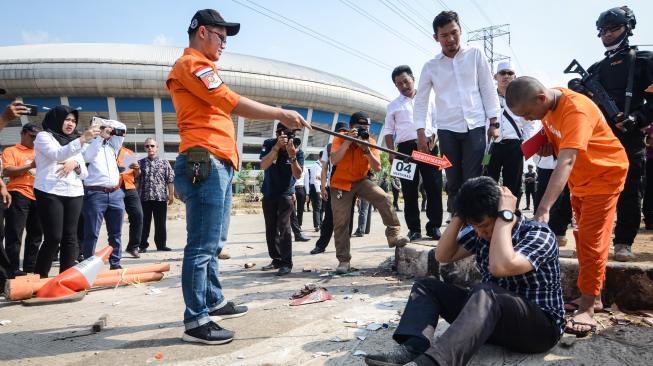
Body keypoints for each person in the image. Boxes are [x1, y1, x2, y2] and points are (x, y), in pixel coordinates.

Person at [167, 9, 308, 344]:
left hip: (215, 160)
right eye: (220, 37)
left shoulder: (203, 67)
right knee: (201, 243)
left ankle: (213, 300)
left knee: (214, 241)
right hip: (203, 157)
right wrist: (280, 112)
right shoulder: (192, 65)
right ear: (202, 32)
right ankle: (196, 320)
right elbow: (228, 100)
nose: (224, 44)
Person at [365, 177, 563, 366]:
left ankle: (433, 362)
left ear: (504, 212)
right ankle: (414, 347)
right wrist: (460, 214)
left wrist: (505, 217)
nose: (479, 233)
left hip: (539, 331)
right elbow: (443, 255)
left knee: (486, 291)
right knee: (426, 287)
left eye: (484, 226)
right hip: (494, 325)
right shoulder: (480, 233)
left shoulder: (538, 234)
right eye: (474, 226)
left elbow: (500, 266)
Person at [506, 76, 628, 336]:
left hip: (605, 175)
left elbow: (566, 162)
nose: (528, 120)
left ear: (540, 98)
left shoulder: (576, 110)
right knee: (582, 236)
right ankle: (593, 295)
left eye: (528, 113)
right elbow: (559, 144)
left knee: (593, 240)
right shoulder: (548, 107)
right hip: (581, 180)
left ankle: (587, 307)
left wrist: (543, 209)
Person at [574, 6, 653, 262]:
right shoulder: (596, 68)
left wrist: (638, 118)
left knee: (630, 189)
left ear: (628, 28)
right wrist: (578, 89)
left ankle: (623, 242)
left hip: (629, 136)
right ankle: (593, 241)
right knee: (595, 191)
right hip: (600, 139)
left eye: (613, 29)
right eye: (603, 30)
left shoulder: (643, 60)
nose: (607, 35)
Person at [414, 10, 500, 213]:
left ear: (461, 30)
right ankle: (457, 224)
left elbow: (488, 88)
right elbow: (421, 102)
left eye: (455, 32)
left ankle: (474, 227)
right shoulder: (430, 67)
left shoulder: (476, 54)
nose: (451, 39)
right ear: (436, 38)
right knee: (452, 181)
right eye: (444, 35)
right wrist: (420, 133)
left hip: (476, 127)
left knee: (473, 179)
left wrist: (494, 123)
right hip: (447, 130)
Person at [330, 111, 408, 274]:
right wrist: (348, 141)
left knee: (384, 197)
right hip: (341, 184)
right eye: (360, 127)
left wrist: (366, 150)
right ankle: (344, 261)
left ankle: (393, 234)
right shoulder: (340, 138)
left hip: (360, 181)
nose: (363, 130)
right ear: (351, 127)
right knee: (341, 222)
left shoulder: (370, 141)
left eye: (366, 127)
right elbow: (334, 160)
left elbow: (377, 167)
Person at [33, 106, 98, 278]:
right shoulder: (43, 136)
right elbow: (57, 154)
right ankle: (39, 277)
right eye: (67, 119)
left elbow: (85, 173)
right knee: (53, 237)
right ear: (57, 119)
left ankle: (66, 279)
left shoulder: (76, 140)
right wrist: (82, 139)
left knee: (71, 238)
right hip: (50, 191)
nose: (70, 124)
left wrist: (75, 165)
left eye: (74, 121)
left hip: (74, 193)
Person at [383, 65, 443, 242]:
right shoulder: (393, 106)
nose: (403, 85)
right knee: (409, 191)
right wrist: (391, 152)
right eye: (399, 83)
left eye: (406, 81)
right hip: (405, 150)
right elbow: (388, 130)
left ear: (413, 79)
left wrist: (434, 141)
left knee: (434, 187)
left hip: (429, 148)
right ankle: (414, 229)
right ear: (396, 86)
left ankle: (434, 227)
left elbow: (438, 123)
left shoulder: (429, 100)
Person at [80, 119, 127, 269]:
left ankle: (115, 263)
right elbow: (88, 157)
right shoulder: (86, 146)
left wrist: (104, 123)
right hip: (95, 194)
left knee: (116, 233)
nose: (106, 130)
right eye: (101, 128)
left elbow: (122, 127)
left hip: (115, 193)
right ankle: (88, 266)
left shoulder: (112, 146)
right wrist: (100, 135)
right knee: (92, 233)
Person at [259, 125, 304, 276]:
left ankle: (286, 263)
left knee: (284, 227)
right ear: (278, 134)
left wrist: (292, 156)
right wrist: (277, 148)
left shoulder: (297, 150)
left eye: (291, 135)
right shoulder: (270, 143)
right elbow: (264, 165)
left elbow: (298, 175)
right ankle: (276, 259)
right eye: (285, 134)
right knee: (270, 229)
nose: (289, 138)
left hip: (286, 194)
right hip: (269, 192)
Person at [486, 61, 536, 197]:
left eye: (510, 73)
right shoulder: (487, 97)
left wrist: (525, 146)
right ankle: (488, 215)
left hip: (514, 147)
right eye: (502, 73)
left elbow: (529, 124)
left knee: (513, 185)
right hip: (490, 146)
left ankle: (511, 214)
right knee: (486, 182)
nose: (506, 76)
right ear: (495, 77)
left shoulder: (521, 97)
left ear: (515, 77)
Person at [2, 123, 43, 277]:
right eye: (32, 137)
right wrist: (30, 166)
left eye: (37, 138)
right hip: (18, 193)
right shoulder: (11, 150)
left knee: (36, 234)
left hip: (39, 195)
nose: (34, 140)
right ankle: (12, 269)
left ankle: (30, 267)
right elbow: (7, 170)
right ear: (23, 133)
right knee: (14, 234)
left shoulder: (41, 151)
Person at [310, 125, 345, 255]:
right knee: (328, 218)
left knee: (347, 218)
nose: (341, 134)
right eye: (339, 132)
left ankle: (344, 248)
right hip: (333, 187)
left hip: (349, 187)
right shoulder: (329, 147)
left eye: (344, 132)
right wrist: (323, 187)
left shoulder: (351, 144)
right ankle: (321, 245)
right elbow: (324, 167)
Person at [137, 138, 174, 253]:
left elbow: (170, 179)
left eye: (152, 146)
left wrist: (171, 194)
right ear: (144, 148)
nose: (150, 148)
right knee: (144, 223)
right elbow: (136, 181)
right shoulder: (140, 163)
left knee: (160, 223)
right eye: (147, 146)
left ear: (157, 147)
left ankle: (161, 245)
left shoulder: (164, 162)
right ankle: (142, 245)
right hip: (144, 198)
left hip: (160, 198)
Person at [117, 144, 143, 259]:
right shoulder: (104, 150)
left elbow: (136, 174)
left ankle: (133, 246)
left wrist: (137, 169)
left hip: (129, 186)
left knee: (138, 215)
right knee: (115, 218)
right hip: (113, 186)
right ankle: (114, 248)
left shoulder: (129, 152)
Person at [308, 153, 323, 231]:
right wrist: (318, 191)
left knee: (321, 208)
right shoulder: (315, 166)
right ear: (321, 157)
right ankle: (317, 225)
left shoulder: (322, 165)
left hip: (321, 187)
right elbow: (316, 179)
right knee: (317, 207)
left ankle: (320, 223)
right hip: (316, 188)